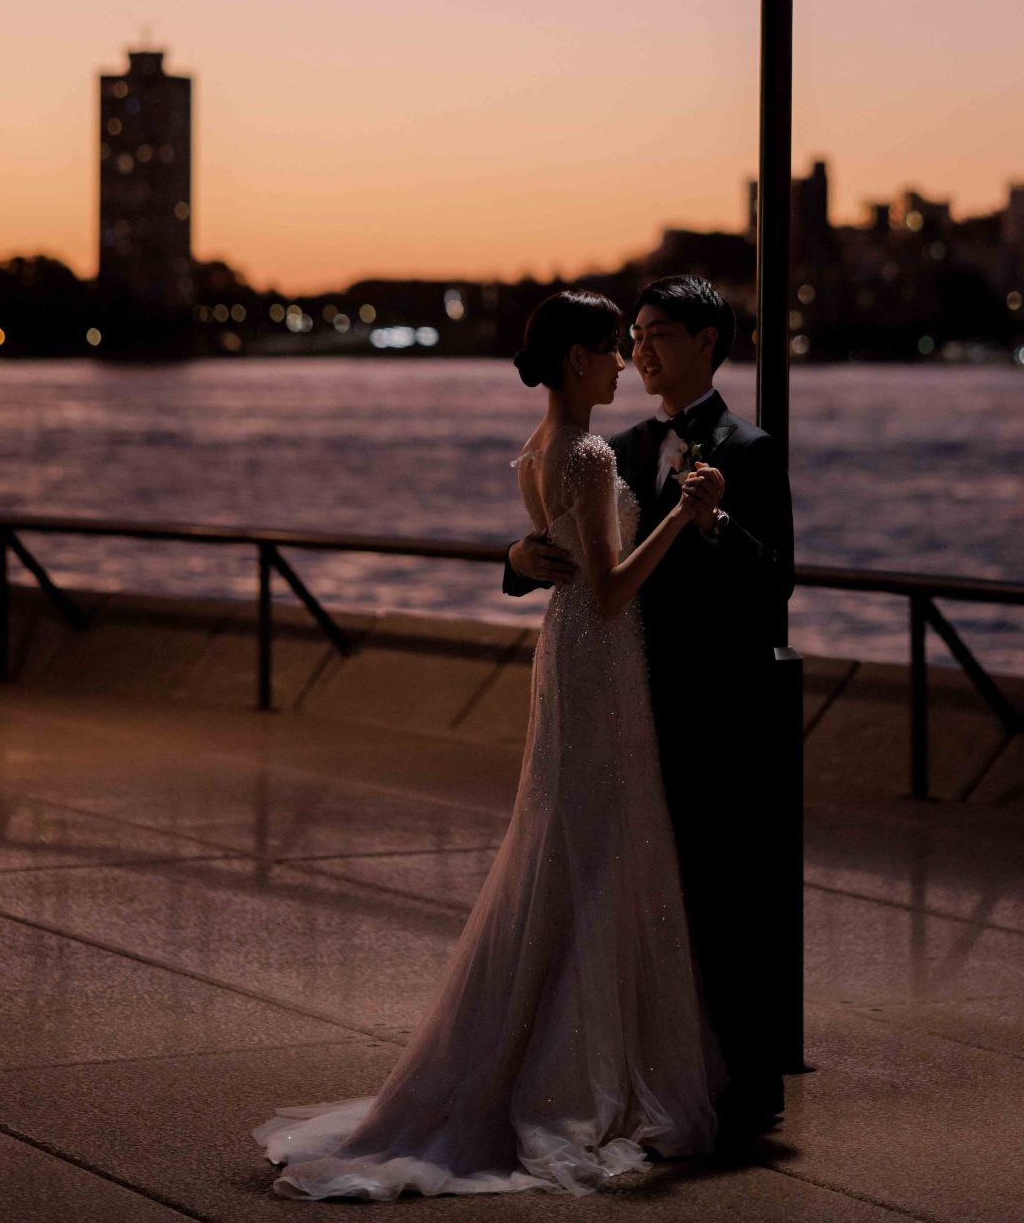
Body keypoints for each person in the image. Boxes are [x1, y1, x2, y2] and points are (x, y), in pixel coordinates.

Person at [253, 289, 724, 1200]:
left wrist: (524, 556)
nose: (624, 362)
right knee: (593, 847)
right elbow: (613, 587)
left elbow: (552, 560)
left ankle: (545, 1045)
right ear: (581, 360)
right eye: (611, 349)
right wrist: (682, 516)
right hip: (599, 660)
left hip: (572, 659)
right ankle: (572, 1071)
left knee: (567, 845)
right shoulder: (585, 452)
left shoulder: (537, 451)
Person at [506, 274, 794, 1145]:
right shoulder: (613, 443)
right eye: (633, 334)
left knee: (711, 889)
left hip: (705, 700)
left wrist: (711, 526)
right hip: (616, 685)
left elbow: (777, 576)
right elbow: (572, 543)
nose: (641, 349)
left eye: (660, 332)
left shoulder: (751, 448)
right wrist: (517, 554)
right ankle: (615, 1065)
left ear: (709, 342)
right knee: (612, 877)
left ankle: (737, 1074)